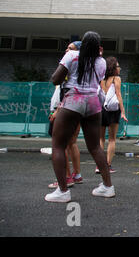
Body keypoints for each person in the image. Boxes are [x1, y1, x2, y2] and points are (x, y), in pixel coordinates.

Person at [45, 31, 114, 203]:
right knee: (95, 147)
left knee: (58, 145)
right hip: (93, 103)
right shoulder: (101, 62)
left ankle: (62, 191)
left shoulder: (72, 55)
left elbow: (55, 79)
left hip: (73, 100)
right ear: (99, 47)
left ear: (82, 43)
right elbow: (97, 80)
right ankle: (107, 187)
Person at [48, 41, 83, 189]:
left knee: (60, 144)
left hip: (66, 107)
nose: (67, 50)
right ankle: (77, 175)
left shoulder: (69, 66)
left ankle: (66, 178)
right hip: (78, 106)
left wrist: (57, 110)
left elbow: (66, 90)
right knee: (72, 143)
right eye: (67, 48)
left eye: (71, 49)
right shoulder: (82, 68)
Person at [99, 57, 128, 173]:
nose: (119, 68)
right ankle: (107, 165)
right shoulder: (116, 78)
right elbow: (118, 95)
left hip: (102, 109)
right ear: (113, 68)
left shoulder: (102, 79)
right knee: (112, 139)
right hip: (113, 110)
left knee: (101, 139)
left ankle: (99, 165)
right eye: (118, 66)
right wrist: (123, 112)